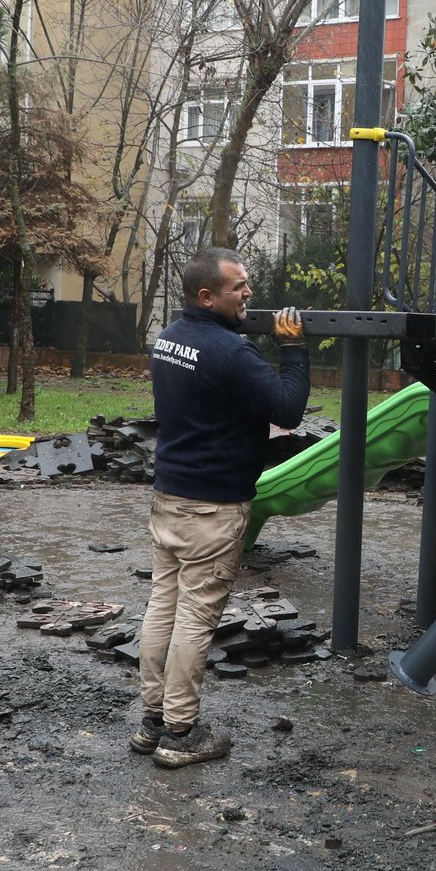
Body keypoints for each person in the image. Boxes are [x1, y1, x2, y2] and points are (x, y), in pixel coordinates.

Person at [132, 248, 308, 768]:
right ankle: (180, 733)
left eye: (248, 283)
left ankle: (151, 721)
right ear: (206, 296)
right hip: (213, 507)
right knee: (195, 617)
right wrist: (294, 351)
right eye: (239, 287)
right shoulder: (231, 352)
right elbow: (287, 409)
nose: (249, 293)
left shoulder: (168, 340)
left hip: (170, 496)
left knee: (162, 607)